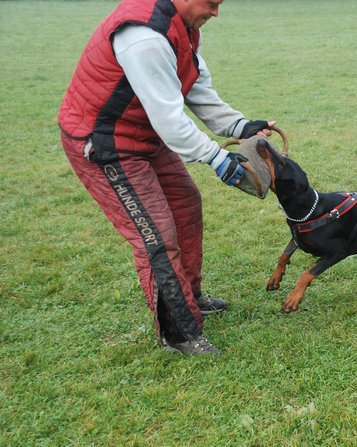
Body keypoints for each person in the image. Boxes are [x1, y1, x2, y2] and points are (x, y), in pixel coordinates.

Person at [58, 0, 272, 355]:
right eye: (212, 3)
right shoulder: (145, 36)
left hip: (142, 135)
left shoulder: (184, 28)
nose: (216, 13)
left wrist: (241, 126)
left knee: (186, 204)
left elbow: (195, 90)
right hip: (105, 143)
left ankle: (190, 296)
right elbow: (169, 119)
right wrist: (218, 159)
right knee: (156, 235)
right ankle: (180, 333)